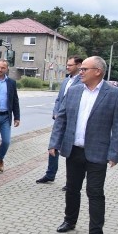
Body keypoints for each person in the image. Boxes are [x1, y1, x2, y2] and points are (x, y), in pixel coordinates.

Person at [49, 56, 118, 234]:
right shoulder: (73, 91)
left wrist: (114, 153)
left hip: (98, 152)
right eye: (80, 69)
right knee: (72, 189)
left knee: (95, 193)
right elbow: (61, 119)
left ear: (97, 71)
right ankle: (69, 221)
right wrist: (54, 143)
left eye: (85, 69)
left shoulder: (115, 94)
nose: (80, 72)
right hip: (73, 150)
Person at [36, 56, 83, 187]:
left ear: (79, 65)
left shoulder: (82, 82)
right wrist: (55, 112)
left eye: (70, 65)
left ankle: (70, 182)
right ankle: (50, 174)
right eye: (67, 65)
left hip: (72, 122)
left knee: (70, 151)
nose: (67, 67)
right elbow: (59, 99)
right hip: (59, 120)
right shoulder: (66, 80)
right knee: (53, 146)